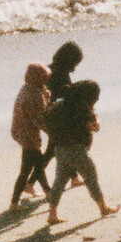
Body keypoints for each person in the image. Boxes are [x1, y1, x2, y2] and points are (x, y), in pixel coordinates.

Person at [46, 80, 118, 226]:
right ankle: (103, 208)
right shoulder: (82, 107)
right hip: (76, 150)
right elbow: (94, 127)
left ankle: (52, 214)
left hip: (60, 149)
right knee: (91, 177)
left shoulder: (60, 104)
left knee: (59, 182)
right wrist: (94, 117)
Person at [9, 63, 52, 208]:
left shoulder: (26, 88)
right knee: (26, 170)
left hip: (18, 130)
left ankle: (48, 192)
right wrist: (53, 132)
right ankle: (14, 203)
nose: (46, 81)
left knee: (39, 163)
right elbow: (39, 119)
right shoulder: (34, 95)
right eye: (44, 78)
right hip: (28, 135)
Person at [40, 39, 84, 177]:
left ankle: (74, 177)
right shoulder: (61, 74)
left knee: (60, 146)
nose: (76, 66)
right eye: (76, 62)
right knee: (54, 149)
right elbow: (66, 94)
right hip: (55, 116)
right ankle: (30, 182)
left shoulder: (49, 69)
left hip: (46, 113)